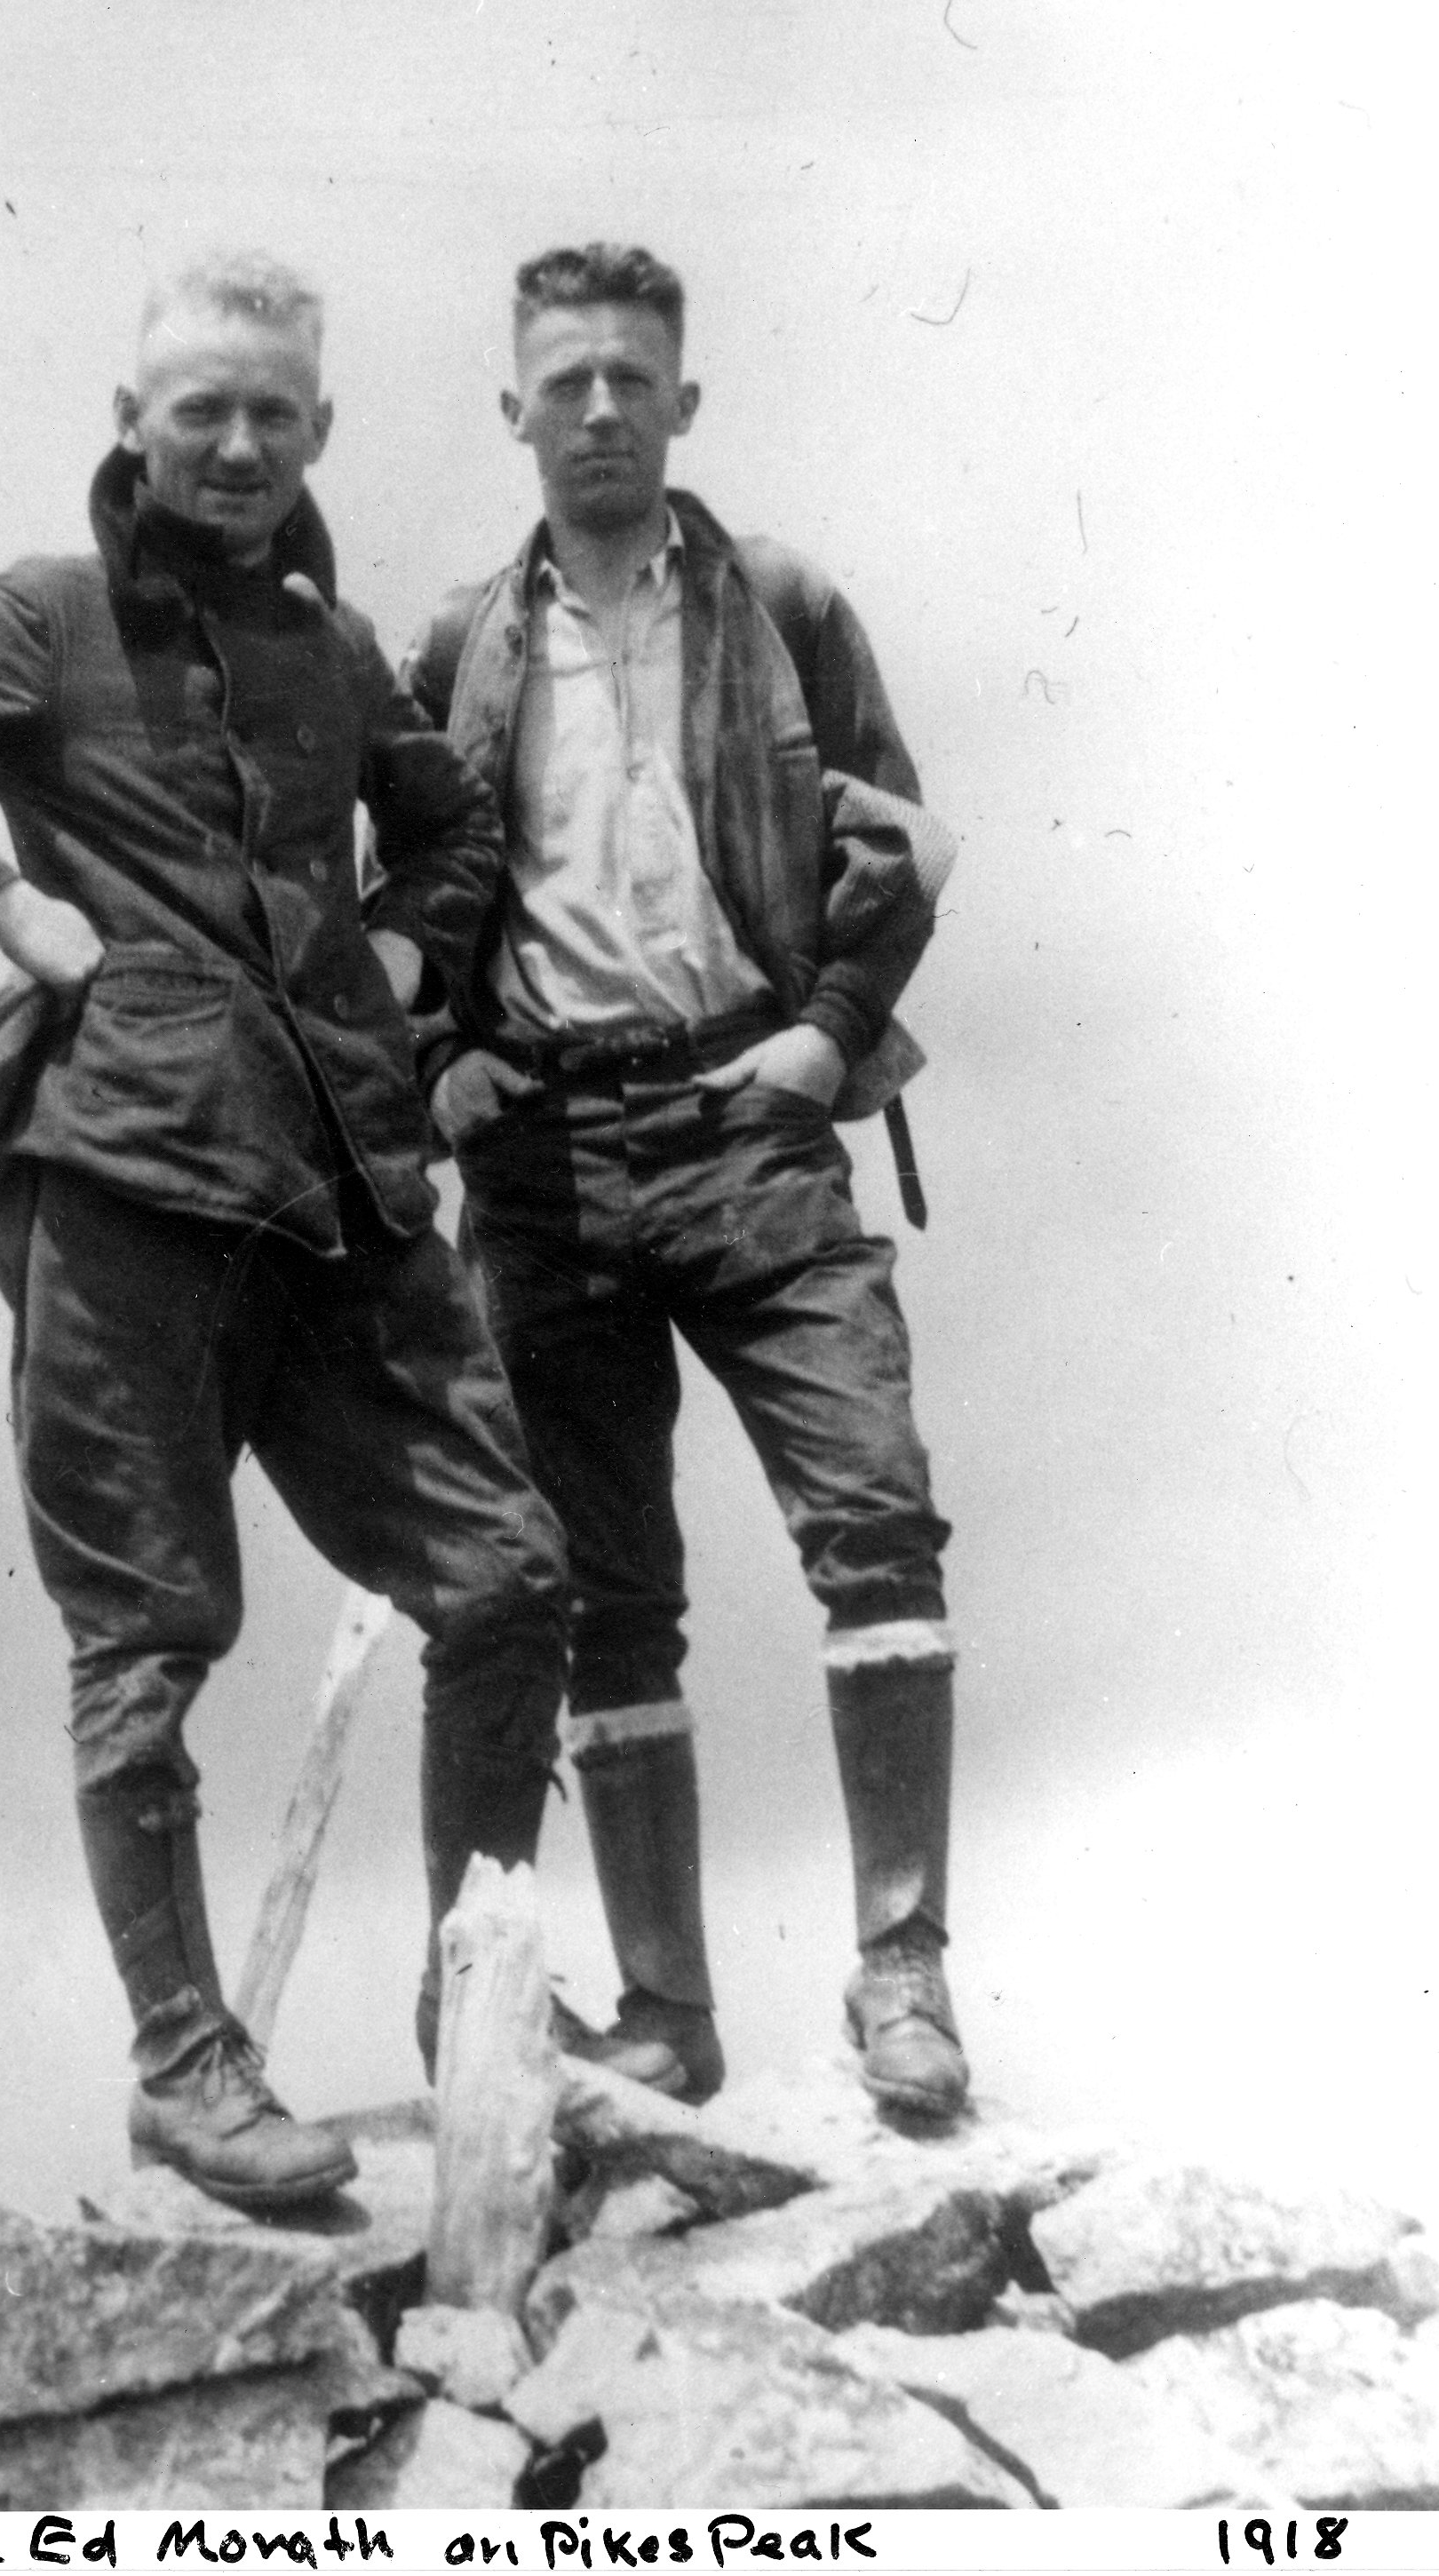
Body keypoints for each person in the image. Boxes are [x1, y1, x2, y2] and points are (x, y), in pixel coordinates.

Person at [0, 252, 668, 2218]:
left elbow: (451, 832)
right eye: (199, 413)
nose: (236, 447)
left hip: (340, 1204)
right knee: (147, 1632)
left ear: (316, 431)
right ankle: (184, 2065)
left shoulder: (331, 654)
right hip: (124, 1189)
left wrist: (400, 950)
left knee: (505, 1575)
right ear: (134, 423)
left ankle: (468, 2013)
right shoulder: (42, 615)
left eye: (271, 415)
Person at [405, 242, 968, 2119]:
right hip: (549, 1162)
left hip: (745, 1120)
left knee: (871, 1518)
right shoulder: (456, 644)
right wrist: (435, 1067)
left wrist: (822, 1030)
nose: (594, 411)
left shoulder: (779, 605)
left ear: (680, 401)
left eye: (627, 379)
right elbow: (397, 904)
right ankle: (664, 2010)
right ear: (513, 410)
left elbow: (892, 836)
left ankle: (900, 1979)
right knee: (599, 1592)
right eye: (560, 381)